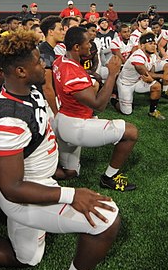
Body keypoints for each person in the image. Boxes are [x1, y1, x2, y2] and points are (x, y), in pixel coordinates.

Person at [0, 30, 121, 270]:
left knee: (26, 257)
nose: (42, 64)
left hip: (36, 181)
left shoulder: (24, 89)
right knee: (107, 219)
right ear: (20, 70)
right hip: (24, 193)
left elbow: (36, 137)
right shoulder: (8, 119)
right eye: (35, 61)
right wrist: (70, 194)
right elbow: (12, 187)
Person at [52, 27, 138, 191]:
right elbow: (99, 105)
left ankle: (36, 176)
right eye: (88, 42)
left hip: (62, 119)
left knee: (70, 172)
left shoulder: (60, 61)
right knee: (130, 132)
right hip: (76, 124)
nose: (90, 46)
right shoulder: (72, 71)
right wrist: (112, 74)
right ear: (76, 47)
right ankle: (109, 178)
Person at [115, 33, 166, 119]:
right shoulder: (138, 55)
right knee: (127, 112)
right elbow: (145, 73)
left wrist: (152, 78)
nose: (153, 46)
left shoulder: (152, 55)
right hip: (126, 84)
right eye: (150, 44)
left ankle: (152, 111)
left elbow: (151, 70)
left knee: (156, 86)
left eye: (154, 44)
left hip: (138, 80)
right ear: (142, 46)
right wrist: (162, 76)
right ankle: (113, 98)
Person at [37, 16, 66, 114]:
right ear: (51, 32)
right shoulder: (45, 53)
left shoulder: (48, 50)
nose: (63, 32)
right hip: (44, 103)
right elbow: (47, 87)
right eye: (60, 29)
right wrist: (56, 112)